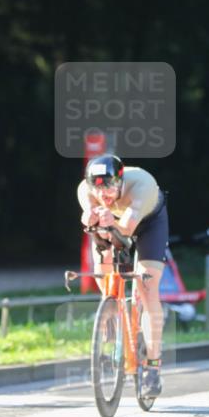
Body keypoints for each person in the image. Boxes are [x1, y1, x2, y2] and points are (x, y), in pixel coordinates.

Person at [77, 154, 168, 397]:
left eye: (110, 187)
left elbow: (127, 228)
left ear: (121, 179)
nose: (104, 194)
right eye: (98, 190)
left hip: (148, 223)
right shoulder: (85, 190)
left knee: (147, 287)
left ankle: (152, 365)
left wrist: (109, 221)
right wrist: (90, 217)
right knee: (104, 269)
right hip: (112, 223)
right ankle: (112, 314)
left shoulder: (141, 185)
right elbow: (91, 219)